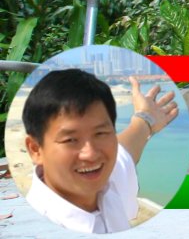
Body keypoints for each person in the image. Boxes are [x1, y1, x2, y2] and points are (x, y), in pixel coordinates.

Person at [22, 69, 180, 233]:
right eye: (70, 140)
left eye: (100, 133)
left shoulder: (104, 179)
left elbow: (125, 150)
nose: (90, 154)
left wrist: (146, 118)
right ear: (35, 150)